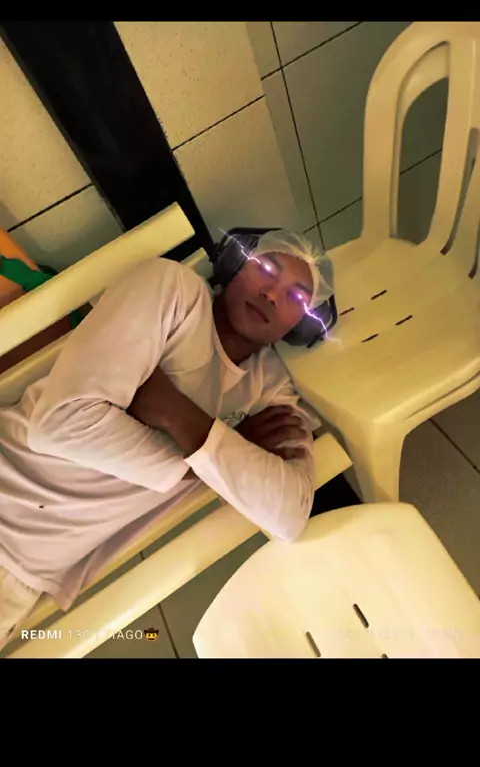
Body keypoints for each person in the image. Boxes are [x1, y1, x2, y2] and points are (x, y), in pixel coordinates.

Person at [0, 228, 333, 651]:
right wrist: (218, 454)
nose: (271, 294)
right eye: (267, 268)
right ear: (235, 263)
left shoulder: (270, 391)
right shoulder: (173, 290)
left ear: (299, 326)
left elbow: (288, 515)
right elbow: (60, 424)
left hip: (20, 579)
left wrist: (177, 416)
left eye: (296, 297)